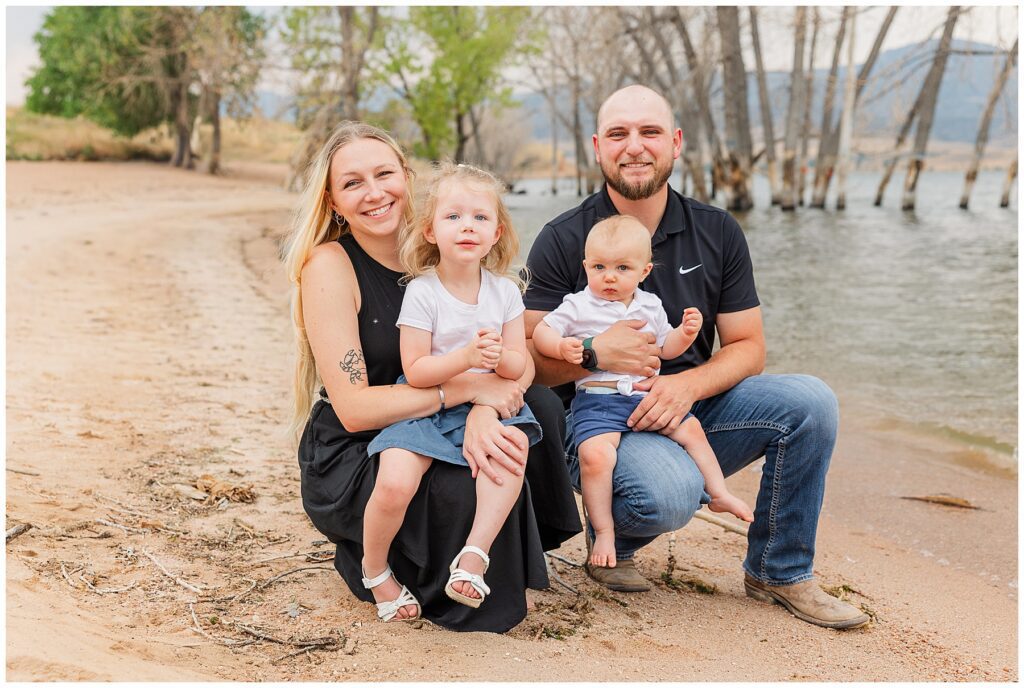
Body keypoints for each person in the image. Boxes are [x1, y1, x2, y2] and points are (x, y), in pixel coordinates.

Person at [523, 85, 869, 629]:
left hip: (689, 405)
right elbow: (528, 363)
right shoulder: (566, 238)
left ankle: (779, 572)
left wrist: (686, 387)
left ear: (676, 143)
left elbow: (749, 347)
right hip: (601, 422)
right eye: (618, 134)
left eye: (650, 132)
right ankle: (613, 529)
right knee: (668, 497)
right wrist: (595, 353)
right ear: (597, 147)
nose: (634, 146)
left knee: (811, 402)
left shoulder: (717, 230)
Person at [284, 122, 580, 632]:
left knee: (539, 412)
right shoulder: (330, 267)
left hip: (446, 410)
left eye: (384, 174)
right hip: (361, 438)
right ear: (332, 200)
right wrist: (461, 391)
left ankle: (489, 558)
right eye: (353, 183)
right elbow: (354, 409)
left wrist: (485, 409)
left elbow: (518, 357)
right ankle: (374, 564)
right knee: (459, 484)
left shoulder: (445, 242)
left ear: (407, 176)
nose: (374, 193)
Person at [364, 162, 542, 616]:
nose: (468, 226)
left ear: (497, 231)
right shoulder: (423, 292)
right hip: (429, 403)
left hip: (483, 397)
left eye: (480, 218)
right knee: (394, 480)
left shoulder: (504, 292)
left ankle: (473, 557)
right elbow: (417, 369)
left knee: (512, 451)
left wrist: (498, 356)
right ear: (429, 231)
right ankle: (375, 568)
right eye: (453, 217)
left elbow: (521, 364)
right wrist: (465, 358)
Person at [531, 214, 753, 569]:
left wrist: (686, 332)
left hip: (644, 397)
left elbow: (666, 347)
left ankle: (720, 492)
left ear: (644, 271)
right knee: (596, 457)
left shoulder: (649, 305)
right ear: (586, 266)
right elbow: (542, 331)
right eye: (599, 266)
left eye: (622, 268)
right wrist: (564, 347)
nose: (609, 276)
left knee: (691, 430)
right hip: (598, 402)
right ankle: (604, 532)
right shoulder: (578, 304)